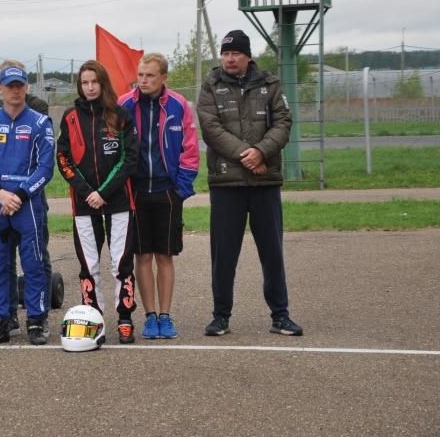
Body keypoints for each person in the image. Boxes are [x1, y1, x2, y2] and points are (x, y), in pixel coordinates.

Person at [198, 30, 302, 337]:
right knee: (223, 254)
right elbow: (210, 127)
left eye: (236, 54)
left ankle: (280, 316)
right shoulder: (211, 86)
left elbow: (283, 122)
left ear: (248, 57)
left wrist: (262, 152)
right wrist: (246, 154)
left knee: (272, 252)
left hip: (264, 183)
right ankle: (220, 317)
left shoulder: (269, 84)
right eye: (225, 53)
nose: (230, 59)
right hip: (226, 184)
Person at [57, 60, 140, 344]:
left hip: (117, 202)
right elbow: (63, 159)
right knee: (88, 265)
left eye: (94, 82)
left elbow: (129, 158)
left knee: (121, 264)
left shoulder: (120, 115)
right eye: (84, 82)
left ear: (103, 83)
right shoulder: (69, 117)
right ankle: (93, 318)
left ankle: (125, 318)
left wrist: (103, 192)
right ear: (80, 85)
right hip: (83, 204)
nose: (90, 87)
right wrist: (86, 191)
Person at [118, 53, 199, 340]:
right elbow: (115, 146)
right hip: (136, 192)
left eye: (150, 75)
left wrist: (181, 189)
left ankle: (166, 315)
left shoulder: (178, 105)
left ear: (163, 78)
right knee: (142, 256)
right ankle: (150, 316)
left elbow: (190, 147)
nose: (143, 80)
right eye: (140, 75)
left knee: (164, 256)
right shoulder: (124, 104)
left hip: (167, 191)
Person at [0, 64, 54, 346]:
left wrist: (19, 195)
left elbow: (46, 168)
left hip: (27, 204)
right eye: (10, 86)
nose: (15, 90)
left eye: (20, 85)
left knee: (33, 263)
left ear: (27, 88)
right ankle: (0, 322)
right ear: (0, 89)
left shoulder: (41, 123)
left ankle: (36, 320)